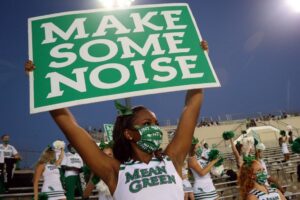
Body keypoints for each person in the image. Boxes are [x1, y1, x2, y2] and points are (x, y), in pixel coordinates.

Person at [25, 40, 207, 200]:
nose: (155, 129)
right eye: (147, 124)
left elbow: (191, 107)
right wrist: (41, 81)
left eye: (156, 124)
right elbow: (70, 126)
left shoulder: (172, 159)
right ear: (128, 133)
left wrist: (200, 60)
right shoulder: (114, 171)